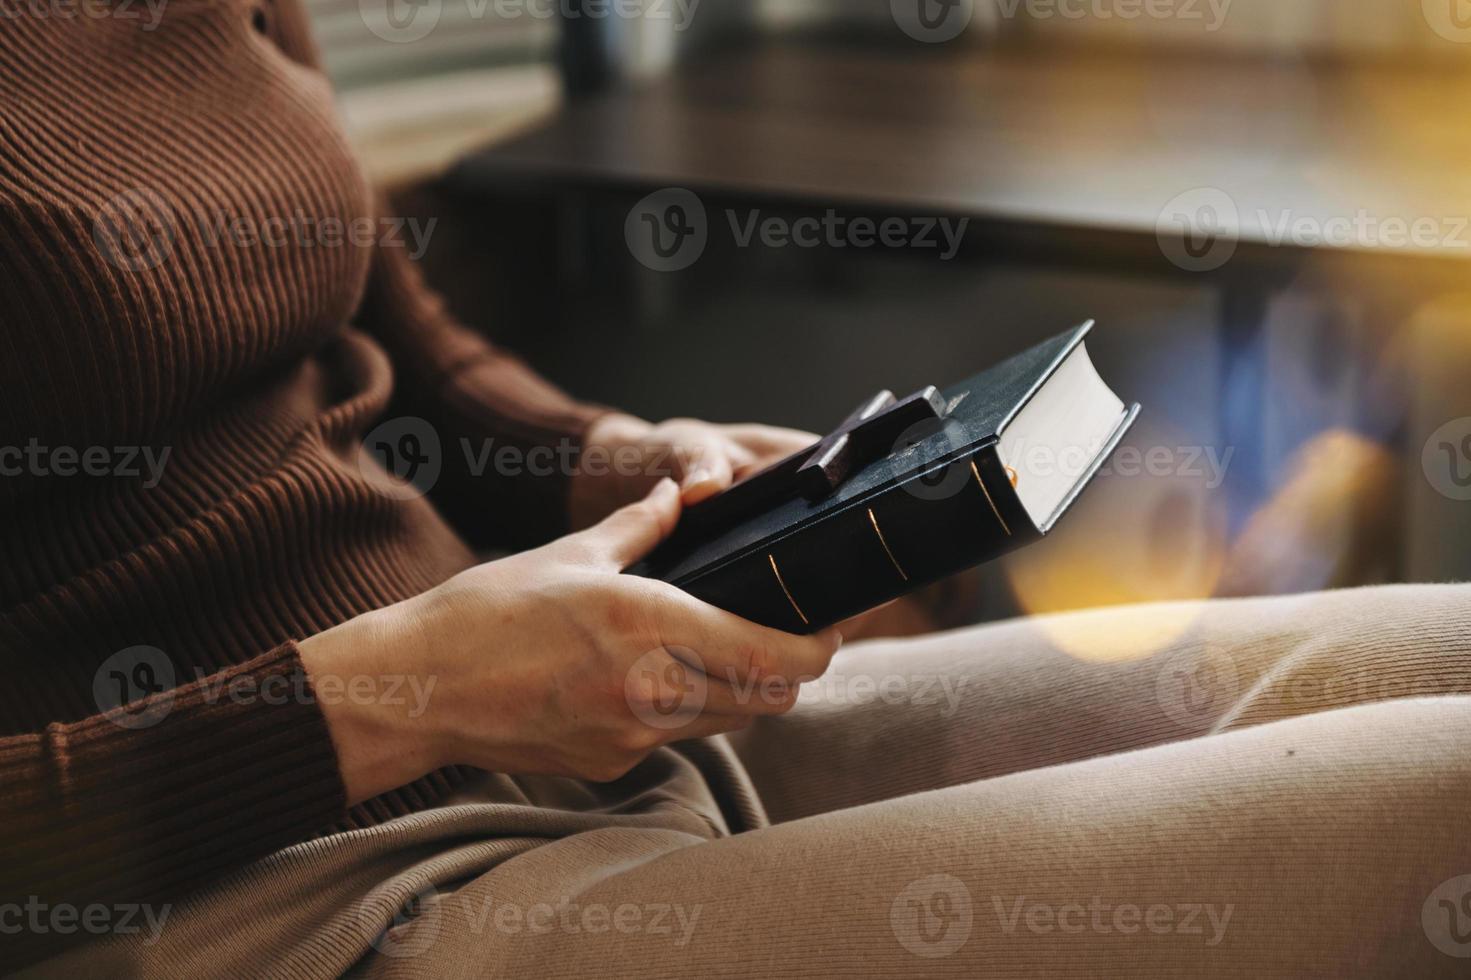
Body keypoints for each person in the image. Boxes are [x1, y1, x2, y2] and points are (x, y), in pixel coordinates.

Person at [3, 4, 1470, 976]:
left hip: (544, 730)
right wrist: (403, 693)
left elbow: (402, 358)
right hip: (249, 895)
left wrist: (651, 465)